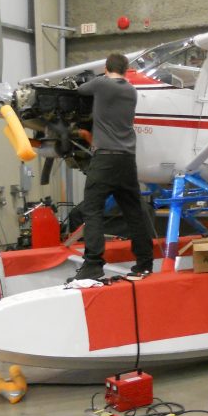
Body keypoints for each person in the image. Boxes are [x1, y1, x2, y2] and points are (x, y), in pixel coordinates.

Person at [70, 53, 154, 281]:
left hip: (105, 159)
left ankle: (93, 265)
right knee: (134, 212)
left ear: (106, 68)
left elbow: (78, 90)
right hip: (127, 159)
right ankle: (145, 263)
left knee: (93, 208)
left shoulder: (101, 84)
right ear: (126, 70)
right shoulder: (131, 90)